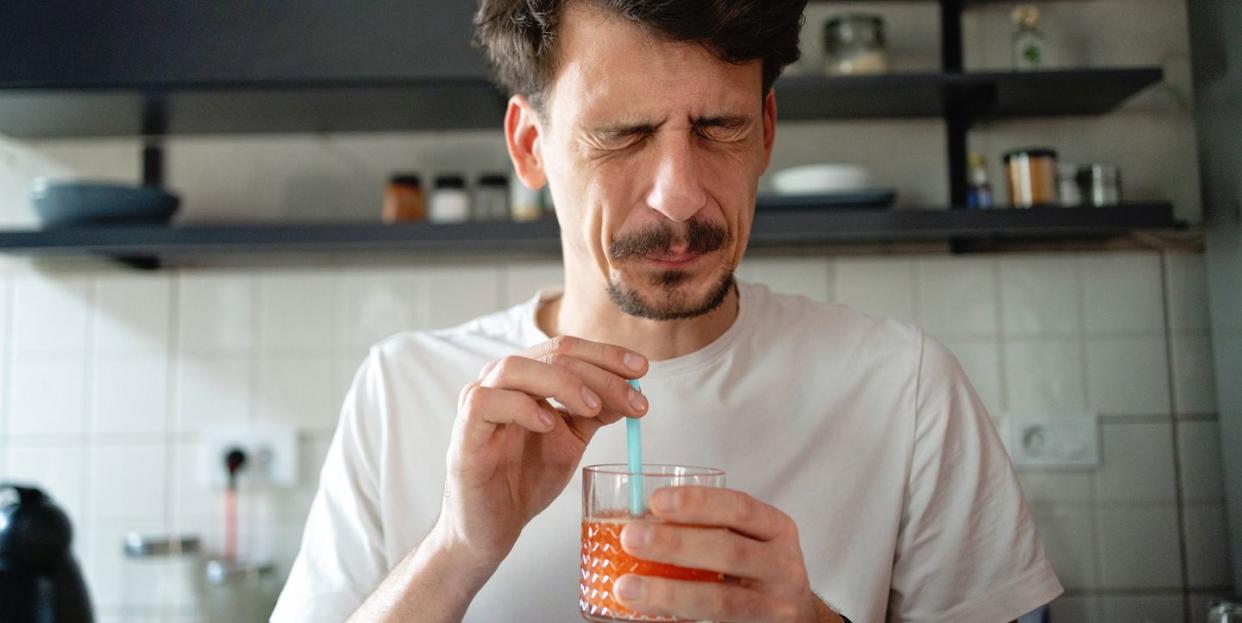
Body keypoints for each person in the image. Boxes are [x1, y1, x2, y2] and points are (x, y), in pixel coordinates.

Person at [271, 1, 1064, 621]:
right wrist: (457, 549)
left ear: (767, 135)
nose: (680, 194)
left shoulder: (906, 388)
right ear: (529, 147)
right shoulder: (402, 390)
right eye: (623, 135)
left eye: (720, 128)